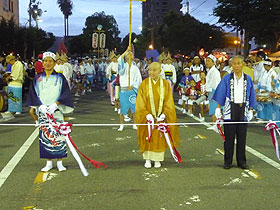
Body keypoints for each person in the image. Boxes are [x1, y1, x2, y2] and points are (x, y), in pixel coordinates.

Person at [27, 51, 74, 172]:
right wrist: (39, 105)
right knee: (45, 136)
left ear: (54, 63)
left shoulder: (60, 77)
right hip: (43, 111)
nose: (47, 63)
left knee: (58, 135)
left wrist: (56, 104)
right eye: (45, 61)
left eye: (50, 61)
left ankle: (60, 161)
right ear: (42, 63)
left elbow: (65, 92)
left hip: (56, 110)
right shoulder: (37, 78)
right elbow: (33, 93)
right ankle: (48, 162)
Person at [213, 55, 257, 169]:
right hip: (229, 110)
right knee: (229, 138)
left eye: (239, 63)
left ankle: (241, 161)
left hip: (243, 109)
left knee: (242, 137)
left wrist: (251, 110)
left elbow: (252, 95)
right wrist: (218, 108)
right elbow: (221, 93)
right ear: (231, 65)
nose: (236, 66)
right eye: (234, 63)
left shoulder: (248, 79)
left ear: (243, 64)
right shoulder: (227, 78)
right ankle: (227, 161)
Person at [135, 62, 180, 168]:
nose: (151, 72)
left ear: (160, 71)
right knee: (147, 136)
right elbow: (140, 101)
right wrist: (146, 114)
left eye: (154, 70)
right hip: (147, 118)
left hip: (160, 117)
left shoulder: (165, 84)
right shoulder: (144, 84)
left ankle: (157, 160)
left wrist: (165, 114)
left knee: (159, 138)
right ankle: (147, 159)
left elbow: (169, 101)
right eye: (150, 70)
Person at [118, 46, 142, 131]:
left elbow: (139, 79)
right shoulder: (123, 66)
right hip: (124, 90)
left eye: (131, 55)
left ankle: (134, 124)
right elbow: (120, 59)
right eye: (128, 55)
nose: (130, 56)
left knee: (134, 109)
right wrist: (126, 50)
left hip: (131, 90)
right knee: (122, 109)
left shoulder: (135, 68)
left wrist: (133, 85)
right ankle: (121, 125)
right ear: (126, 57)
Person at [205, 54, 221, 129]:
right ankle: (215, 124)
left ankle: (216, 125)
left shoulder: (214, 71)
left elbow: (216, 83)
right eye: (206, 61)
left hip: (214, 91)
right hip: (211, 91)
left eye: (208, 61)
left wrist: (214, 93)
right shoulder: (210, 70)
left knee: (214, 108)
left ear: (213, 62)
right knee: (212, 108)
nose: (207, 62)